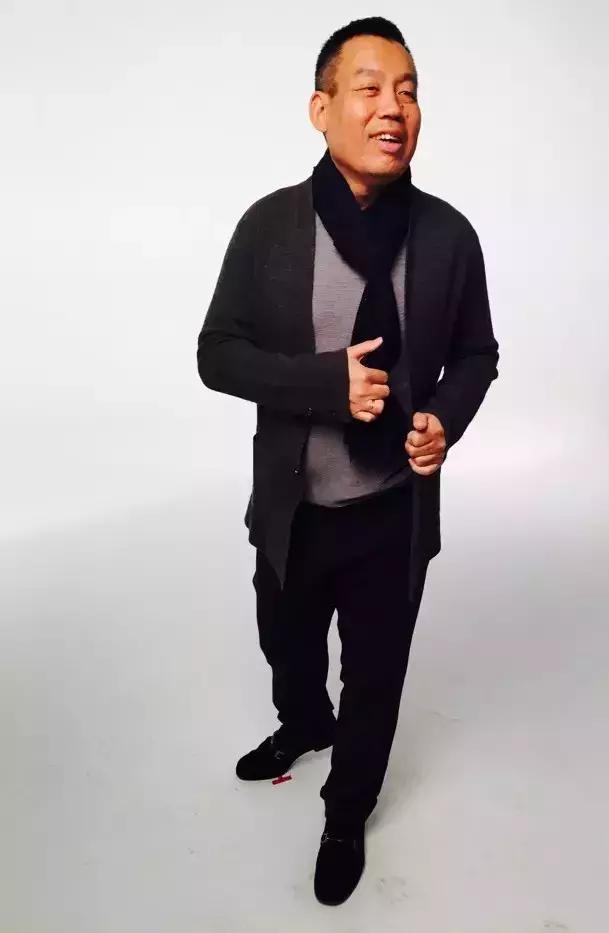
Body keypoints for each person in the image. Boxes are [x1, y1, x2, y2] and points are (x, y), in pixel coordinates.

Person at [197, 16, 499, 906]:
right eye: (369, 88)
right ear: (320, 109)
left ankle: (346, 809)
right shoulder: (270, 227)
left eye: (408, 91)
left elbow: (476, 353)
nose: (392, 108)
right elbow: (217, 353)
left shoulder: (449, 236)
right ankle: (302, 722)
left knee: (376, 674)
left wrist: (444, 418)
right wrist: (326, 383)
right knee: (285, 643)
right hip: (293, 508)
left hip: (393, 510)